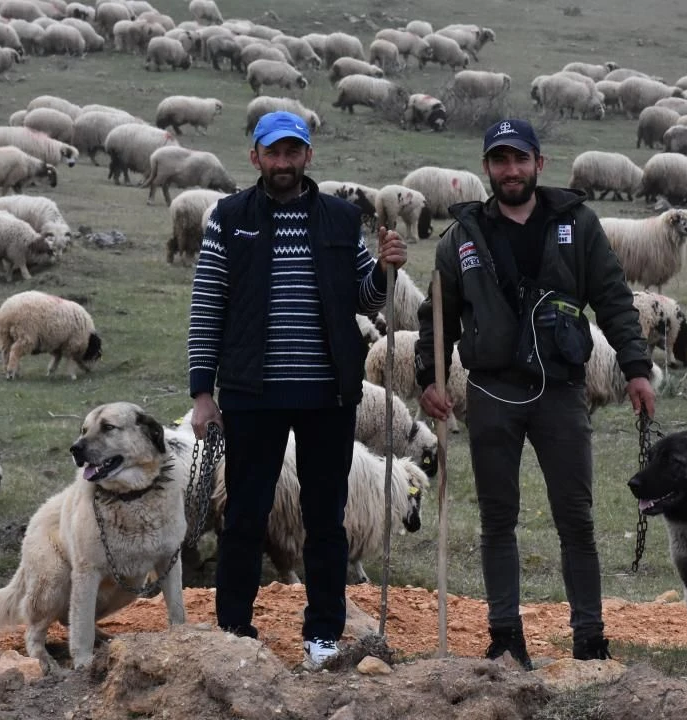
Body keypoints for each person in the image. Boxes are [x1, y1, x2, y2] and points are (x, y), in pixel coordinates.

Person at [414, 118, 656, 669]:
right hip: (491, 393)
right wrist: (429, 377)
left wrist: (637, 368)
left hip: (561, 393)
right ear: (487, 168)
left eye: (520, 159)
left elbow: (614, 299)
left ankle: (589, 639)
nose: (511, 170)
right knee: (498, 520)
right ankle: (504, 637)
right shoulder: (463, 236)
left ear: (539, 164)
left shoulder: (576, 224)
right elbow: (438, 313)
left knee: (576, 518)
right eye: (500, 160)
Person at [187, 110, 407, 670]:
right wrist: (202, 393)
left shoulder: (339, 217)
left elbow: (366, 299)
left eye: (293, 151)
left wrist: (384, 271)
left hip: (327, 395)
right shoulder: (229, 217)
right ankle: (235, 628)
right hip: (250, 392)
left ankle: (323, 634)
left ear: (308, 156)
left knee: (324, 517)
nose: (283, 162)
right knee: (244, 514)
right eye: (273, 152)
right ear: (256, 158)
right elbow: (208, 304)